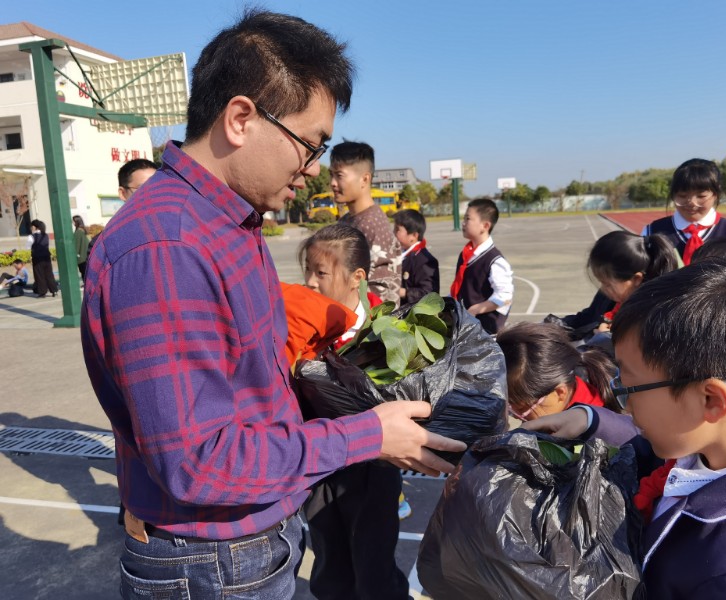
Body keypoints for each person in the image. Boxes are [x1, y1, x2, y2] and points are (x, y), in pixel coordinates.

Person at [80, 11, 464, 599]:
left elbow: (252, 384)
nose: (312, 172)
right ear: (240, 119)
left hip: (251, 539)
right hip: (212, 559)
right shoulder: (168, 249)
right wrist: (366, 436)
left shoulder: (233, 221)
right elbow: (199, 463)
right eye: (309, 146)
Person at [523, 258, 726, 597]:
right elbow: (655, 449)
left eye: (629, 388)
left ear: (712, 400)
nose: (625, 404)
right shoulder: (714, 444)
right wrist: (591, 419)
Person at [298, 223, 409, 600]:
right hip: (322, 463)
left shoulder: (387, 330)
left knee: (374, 567)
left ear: (356, 277)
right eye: (308, 271)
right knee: (329, 564)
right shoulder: (302, 325)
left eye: (321, 273)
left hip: (374, 470)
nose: (310, 282)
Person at [496, 322, 618, 422]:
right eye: (509, 406)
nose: (517, 416)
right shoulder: (557, 404)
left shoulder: (597, 434)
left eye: (521, 407)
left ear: (560, 393)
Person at [330, 141, 402, 304]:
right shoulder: (346, 220)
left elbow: (382, 294)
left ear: (364, 179)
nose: (333, 183)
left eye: (339, 175)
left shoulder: (374, 225)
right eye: (331, 175)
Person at [642, 158, 726, 265]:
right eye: (682, 196)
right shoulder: (652, 232)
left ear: (715, 194)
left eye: (701, 196)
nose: (691, 202)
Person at [587, 231, 678, 332]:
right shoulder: (621, 300)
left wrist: (606, 336)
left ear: (636, 279)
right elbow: (586, 316)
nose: (603, 289)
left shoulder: (650, 317)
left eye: (607, 284)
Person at [450, 198, 514, 334]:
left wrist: (476, 309)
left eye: (468, 219)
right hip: (466, 326)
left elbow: (505, 296)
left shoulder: (494, 260)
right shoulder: (466, 254)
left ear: (485, 226)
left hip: (485, 332)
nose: (463, 223)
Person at [393, 208, 439, 306]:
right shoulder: (400, 253)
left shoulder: (424, 260)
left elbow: (429, 293)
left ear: (413, 236)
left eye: (397, 230)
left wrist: (403, 292)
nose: (393, 233)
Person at [28, 219, 57, 298]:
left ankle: (42, 292)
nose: (31, 228)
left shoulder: (31, 236)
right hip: (46, 257)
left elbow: (28, 247)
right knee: (49, 274)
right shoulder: (46, 235)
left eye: (31, 226)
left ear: (34, 227)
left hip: (37, 258)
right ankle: (54, 290)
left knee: (40, 275)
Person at [72, 215, 89, 282]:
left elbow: (76, 245)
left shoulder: (78, 232)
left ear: (77, 222)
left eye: (73, 221)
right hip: (86, 256)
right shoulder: (83, 230)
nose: (73, 223)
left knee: (84, 273)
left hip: (81, 257)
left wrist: (74, 255)